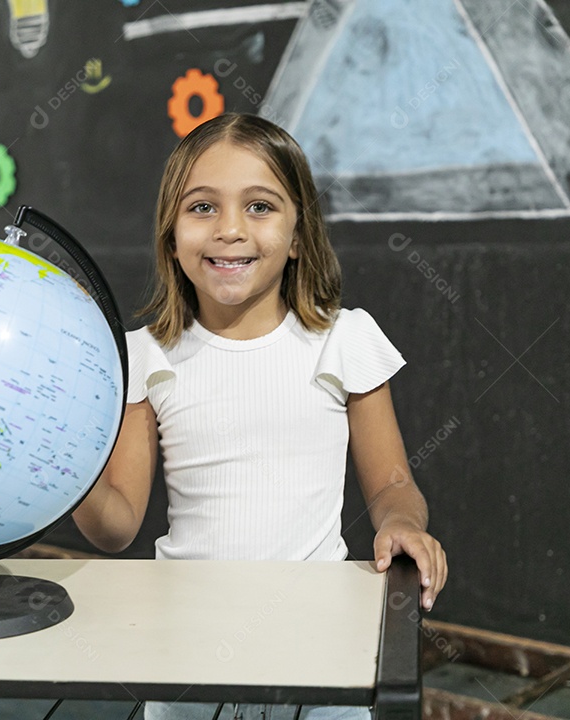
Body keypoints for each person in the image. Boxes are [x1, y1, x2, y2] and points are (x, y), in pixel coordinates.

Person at [72, 113, 448, 720]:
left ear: (299, 234)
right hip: (184, 664)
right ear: (171, 236)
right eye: (201, 208)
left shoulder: (344, 338)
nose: (229, 230)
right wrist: (63, 457)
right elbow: (115, 526)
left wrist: (402, 523)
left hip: (321, 659)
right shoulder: (144, 355)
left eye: (260, 207)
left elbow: (391, 485)